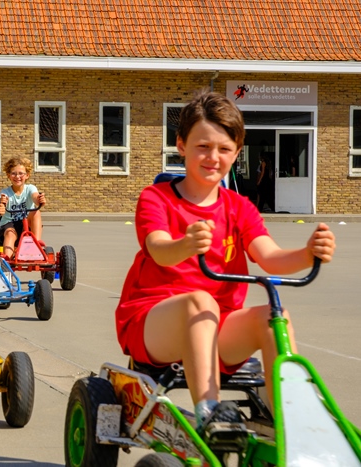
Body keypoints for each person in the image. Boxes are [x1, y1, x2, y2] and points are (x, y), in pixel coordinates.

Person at [114, 90, 336, 433]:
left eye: (224, 149)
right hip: (154, 324)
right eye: (203, 146)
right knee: (199, 303)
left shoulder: (239, 207)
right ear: (181, 145)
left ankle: (291, 425)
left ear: (236, 152)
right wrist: (186, 244)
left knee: (274, 318)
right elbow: (158, 248)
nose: (213, 157)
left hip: (218, 328)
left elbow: (270, 258)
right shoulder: (155, 198)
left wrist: (308, 253)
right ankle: (211, 413)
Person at [0, 157, 46, 259]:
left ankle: (35, 244)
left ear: (27, 175)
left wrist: (39, 200)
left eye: (21, 173)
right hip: (10, 223)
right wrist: (3, 203)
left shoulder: (30, 188)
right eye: (13, 173)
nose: (17, 176)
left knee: (36, 212)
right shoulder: (5, 192)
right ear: (8, 175)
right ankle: (7, 260)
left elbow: (35, 197)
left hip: (27, 223)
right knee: (10, 234)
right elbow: (3, 201)